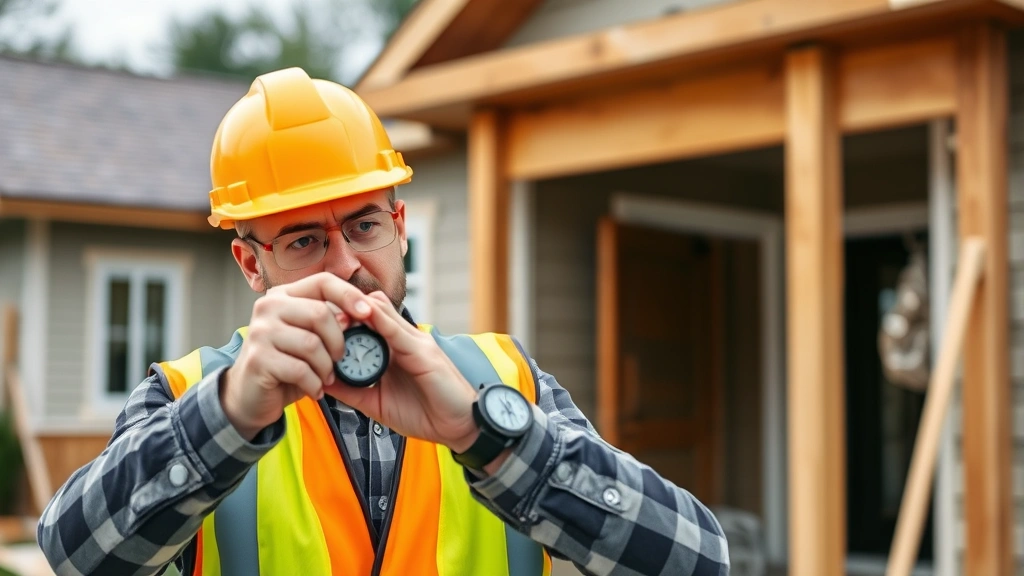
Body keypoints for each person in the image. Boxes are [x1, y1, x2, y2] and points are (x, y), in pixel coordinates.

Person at [36, 67, 729, 576]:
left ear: (400, 229)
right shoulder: (190, 395)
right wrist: (228, 418)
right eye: (304, 240)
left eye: (364, 224)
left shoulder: (500, 382)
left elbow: (698, 560)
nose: (346, 266)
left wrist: (487, 439)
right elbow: (73, 557)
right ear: (251, 264)